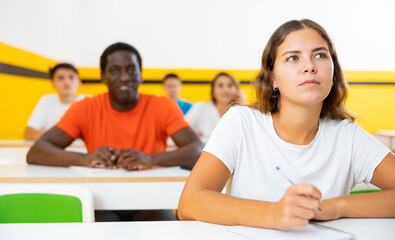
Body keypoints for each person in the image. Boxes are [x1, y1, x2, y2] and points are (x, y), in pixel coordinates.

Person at [178, 19, 395, 230]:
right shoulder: (241, 122)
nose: (309, 66)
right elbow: (189, 203)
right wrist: (273, 213)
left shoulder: (349, 137)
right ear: (273, 78)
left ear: (334, 72)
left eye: (320, 55)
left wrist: (335, 206)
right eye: (293, 58)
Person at [27, 42, 203, 221]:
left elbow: (197, 149)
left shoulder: (163, 106)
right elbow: (37, 151)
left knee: (164, 227)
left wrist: (151, 159)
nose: (124, 77)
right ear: (103, 76)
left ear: (141, 75)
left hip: (150, 198)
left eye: (131, 70)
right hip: (101, 200)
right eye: (115, 70)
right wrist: (84, 159)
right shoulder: (85, 108)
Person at [24, 63, 84, 140]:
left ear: (79, 82)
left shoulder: (88, 101)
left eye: (71, 77)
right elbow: (29, 133)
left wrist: (48, 135)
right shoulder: (46, 100)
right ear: (53, 83)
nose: (67, 82)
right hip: (53, 151)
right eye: (60, 78)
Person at [185, 72, 246, 143]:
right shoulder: (200, 107)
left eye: (230, 86)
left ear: (237, 90)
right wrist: (192, 134)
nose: (225, 90)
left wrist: (243, 104)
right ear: (213, 90)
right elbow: (181, 130)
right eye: (220, 86)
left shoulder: (238, 112)